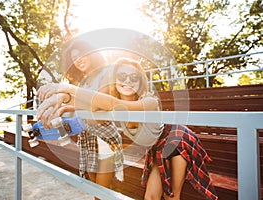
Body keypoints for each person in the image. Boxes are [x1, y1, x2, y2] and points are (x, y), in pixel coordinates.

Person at [37, 57, 218, 200]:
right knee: (151, 197)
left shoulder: (149, 100)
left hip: (176, 139)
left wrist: (66, 87)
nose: (128, 81)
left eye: (134, 77)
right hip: (156, 148)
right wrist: (63, 101)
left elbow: (113, 103)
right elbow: (90, 105)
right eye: (122, 77)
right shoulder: (114, 102)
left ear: (141, 81)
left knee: (171, 195)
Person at [38, 39, 124, 200]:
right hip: (88, 135)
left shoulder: (107, 72)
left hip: (104, 136)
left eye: (81, 55)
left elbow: (98, 104)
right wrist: (62, 108)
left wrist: (66, 93)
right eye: (74, 58)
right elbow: (82, 106)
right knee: (93, 186)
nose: (78, 60)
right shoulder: (84, 81)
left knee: (100, 191)